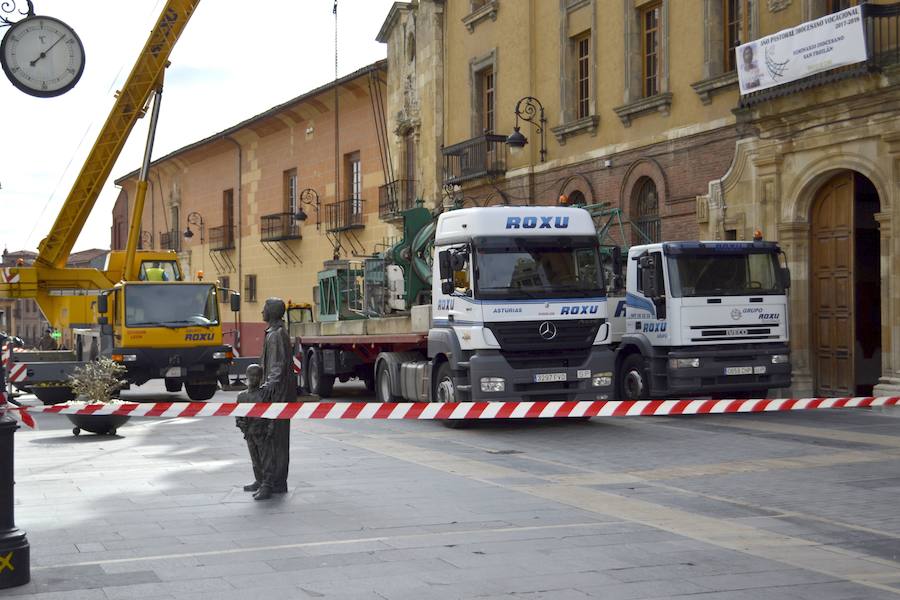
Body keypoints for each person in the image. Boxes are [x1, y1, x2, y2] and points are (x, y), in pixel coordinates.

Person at [249, 297, 296, 500]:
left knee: (275, 442)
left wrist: (267, 387)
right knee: (269, 440)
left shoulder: (276, 334)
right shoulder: (273, 332)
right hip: (275, 394)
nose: (262, 311)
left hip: (278, 396)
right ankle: (263, 479)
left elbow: (277, 366)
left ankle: (275, 483)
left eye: (264, 308)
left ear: (272, 312)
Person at [235, 364, 279, 500]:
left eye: (257, 376)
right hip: (249, 433)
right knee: (255, 460)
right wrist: (240, 423)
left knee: (266, 459)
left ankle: (267, 485)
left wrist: (270, 428)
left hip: (262, 432)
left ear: (261, 378)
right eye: (251, 375)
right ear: (246, 376)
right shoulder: (241, 396)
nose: (254, 378)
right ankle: (259, 481)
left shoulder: (264, 395)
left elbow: (271, 414)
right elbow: (238, 415)